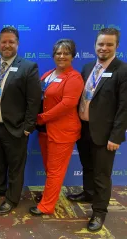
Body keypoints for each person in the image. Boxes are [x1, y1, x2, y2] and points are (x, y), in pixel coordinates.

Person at [66, 28, 127, 232]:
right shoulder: (88, 67)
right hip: (83, 128)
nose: (104, 48)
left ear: (117, 46)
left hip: (105, 133)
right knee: (88, 166)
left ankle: (99, 212)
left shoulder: (122, 70)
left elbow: (124, 108)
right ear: (95, 45)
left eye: (109, 44)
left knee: (102, 174)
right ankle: (88, 193)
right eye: (101, 44)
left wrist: (116, 136)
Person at [0, 26, 41, 215]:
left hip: (16, 129)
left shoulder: (28, 67)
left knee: (15, 168)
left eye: (11, 42)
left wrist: (28, 128)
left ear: (17, 44)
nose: (7, 45)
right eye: (3, 42)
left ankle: (12, 199)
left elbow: (34, 101)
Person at [28, 39, 84, 216]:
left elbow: (67, 104)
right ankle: (49, 197)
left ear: (72, 56)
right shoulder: (48, 74)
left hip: (62, 132)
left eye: (66, 53)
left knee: (55, 171)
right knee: (49, 168)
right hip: (45, 131)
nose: (62, 56)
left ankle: (47, 206)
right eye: (58, 53)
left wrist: (42, 118)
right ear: (53, 56)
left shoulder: (74, 77)